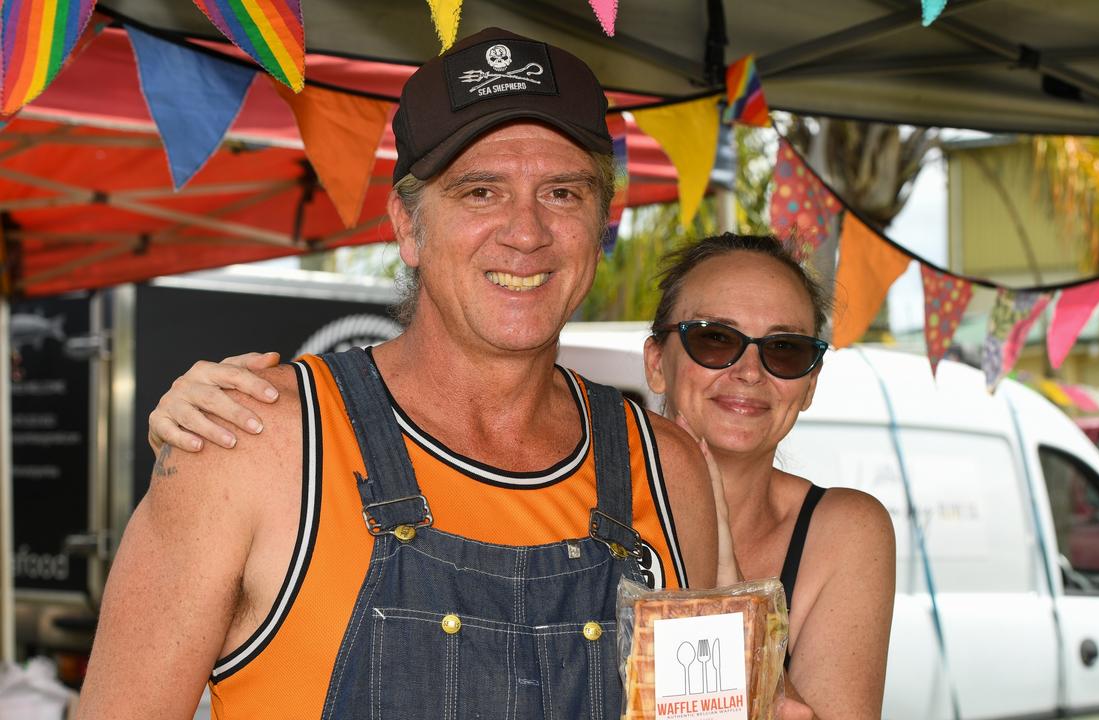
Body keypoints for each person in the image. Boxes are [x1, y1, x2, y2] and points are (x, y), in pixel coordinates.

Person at [78, 27, 721, 720]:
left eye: (563, 193)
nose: (527, 231)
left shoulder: (668, 469)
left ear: (601, 225)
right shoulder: (252, 446)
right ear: (407, 227)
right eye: (481, 192)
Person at [150, 235, 895, 718]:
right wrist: (198, 425)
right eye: (715, 339)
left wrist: (732, 611)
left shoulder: (842, 533)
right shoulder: (560, 480)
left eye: (787, 350)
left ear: (811, 379)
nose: (748, 371)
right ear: (656, 360)